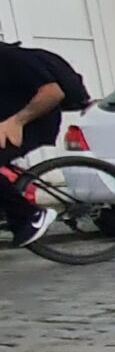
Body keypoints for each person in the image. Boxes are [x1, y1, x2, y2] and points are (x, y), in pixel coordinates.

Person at [0, 38, 72, 247]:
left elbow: (53, 93)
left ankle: (30, 217)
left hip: (32, 124)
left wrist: (17, 121)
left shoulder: (11, 57)